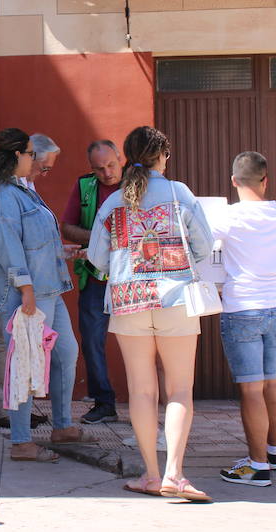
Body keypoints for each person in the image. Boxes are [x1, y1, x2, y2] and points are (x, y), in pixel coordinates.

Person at [88, 125, 214, 501]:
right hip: (176, 299)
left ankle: (151, 475)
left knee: (141, 390)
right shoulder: (180, 194)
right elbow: (205, 246)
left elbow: (96, 259)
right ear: (163, 156)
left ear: (128, 158)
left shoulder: (114, 202)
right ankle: (176, 474)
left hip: (128, 302)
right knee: (179, 389)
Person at [0, 128, 92, 462]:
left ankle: (63, 425)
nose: (33, 159)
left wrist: (61, 254)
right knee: (26, 363)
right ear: (15, 156)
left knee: (66, 353)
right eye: (29, 153)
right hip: (27, 294)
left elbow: (34, 241)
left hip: (47, 289)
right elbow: (9, 248)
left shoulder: (20, 192)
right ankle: (22, 441)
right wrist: (26, 290)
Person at [212, 152, 276, 488]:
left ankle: (256, 465)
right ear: (265, 180)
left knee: (250, 389)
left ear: (234, 181)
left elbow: (203, 248)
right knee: (270, 380)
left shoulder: (228, 217)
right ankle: (274, 451)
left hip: (242, 309)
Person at [60, 140, 124, 425]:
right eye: (99, 169)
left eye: (111, 165)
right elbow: (67, 227)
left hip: (132, 277)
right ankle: (104, 403)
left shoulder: (138, 183)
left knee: (141, 340)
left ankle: (146, 404)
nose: (107, 173)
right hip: (95, 276)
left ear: (120, 158)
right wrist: (99, 237)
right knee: (92, 342)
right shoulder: (85, 186)